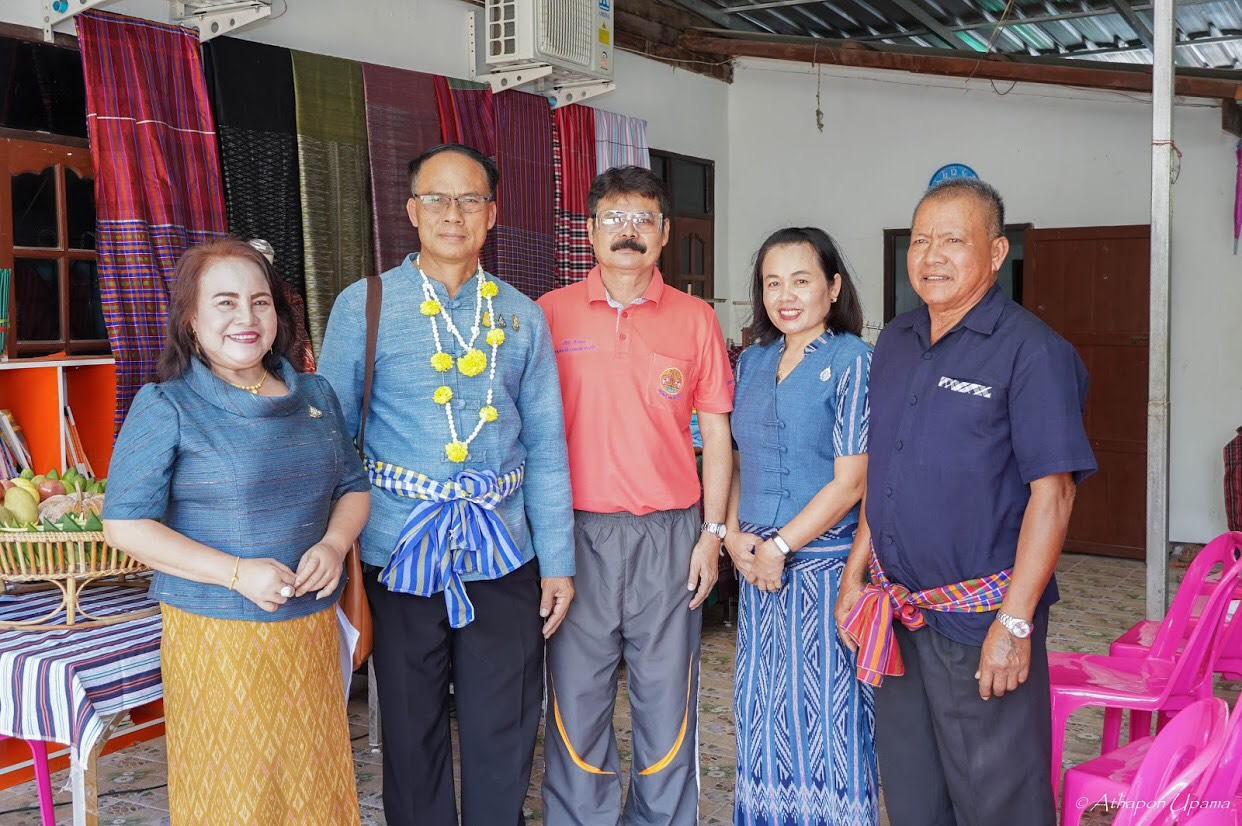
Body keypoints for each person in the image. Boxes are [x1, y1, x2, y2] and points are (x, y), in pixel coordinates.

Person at [317, 143, 575, 826]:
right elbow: (331, 437)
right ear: (411, 211)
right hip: (397, 549)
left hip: (503, 550)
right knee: (410, 726)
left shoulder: (521, 314)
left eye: (469, 199)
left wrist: (558, 560)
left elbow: (547, 446)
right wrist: (330, 546)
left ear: (492, 213)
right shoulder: (365, 305)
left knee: (505, 721)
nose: (452, 214)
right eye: (436, 198)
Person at [836, 178, 1096, 826]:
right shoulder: (895, 341)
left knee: (996, 798)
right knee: (914, 793)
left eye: (953, 240)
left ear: (997, 252)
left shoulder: (1032, 352)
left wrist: (1014, 625)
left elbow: (1054, 495)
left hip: (982, 622)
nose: (932, 256)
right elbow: (883, 472)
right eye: (920, 241)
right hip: (899, 614)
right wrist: (854, 576)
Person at [102, 236, 371, 825]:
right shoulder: (167, 405)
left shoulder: (315, 394)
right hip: (217, 636)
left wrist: (333, 544)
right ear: (191, 319)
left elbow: (353, 486)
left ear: (278, 313)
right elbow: (124, 524)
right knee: (235, 795)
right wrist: (236, 573)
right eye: (224, 303)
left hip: (310, 629)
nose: (245, 318)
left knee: (313, 786)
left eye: (259, 301)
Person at [538, 165, 734, 825]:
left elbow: (717, 433)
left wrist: (712, 534)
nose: (629, 232)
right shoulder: (550, 313)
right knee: (577, 699)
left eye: (643, 219)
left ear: (665, 232)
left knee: (666, 699)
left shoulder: (697, 319)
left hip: (670, 536)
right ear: (590, 231)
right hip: (577, 536)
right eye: (615, 219)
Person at [726, 227, 877, 825]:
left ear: (833, 287)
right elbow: (738, 459)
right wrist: (732, 533)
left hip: (823, 572)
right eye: (772, 283)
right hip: (756, 571)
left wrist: (782, 545)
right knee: (762, 711)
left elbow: (851, 482)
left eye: (801, 280)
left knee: (827, 715)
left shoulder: (853, 360)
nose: (785, 296)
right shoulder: (753, 361)